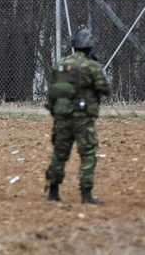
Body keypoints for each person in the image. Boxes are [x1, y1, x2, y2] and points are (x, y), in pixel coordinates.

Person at [43, 29, 111, 204]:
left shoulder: (60, 65)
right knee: (88, 153)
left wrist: (54, 112)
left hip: (62, 115)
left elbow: (52, 92)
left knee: (59, 153)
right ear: (89, 46)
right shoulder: (92, 66)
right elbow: (106, 89)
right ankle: (86, 195)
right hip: (83, 117)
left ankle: (53, 192)